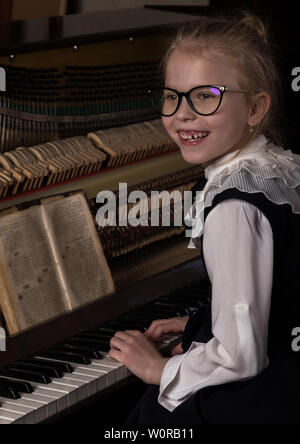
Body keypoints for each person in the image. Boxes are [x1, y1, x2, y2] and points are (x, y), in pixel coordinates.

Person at [109, 11, 300, 424]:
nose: (182, 114)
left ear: (255, 108)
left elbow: (240, 355)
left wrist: (158, 370)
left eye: (206, 95)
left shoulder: (233, 209)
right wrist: (202, 322)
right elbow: (281, 290)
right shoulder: (276, 170)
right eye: (171, 96)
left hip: (260, 401)